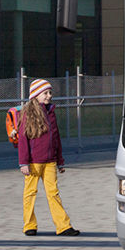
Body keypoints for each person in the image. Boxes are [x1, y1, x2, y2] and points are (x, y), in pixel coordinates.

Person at [17, 78, 81, 236]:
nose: (48, 96)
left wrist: (60, 160)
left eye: (50, 92)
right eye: (45, 93)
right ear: (36, 95)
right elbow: (23, 140)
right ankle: (29, 225)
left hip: (50, 161)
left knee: (53, 193)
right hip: (33, 163)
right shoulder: (27, 114)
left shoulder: (51, 112)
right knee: (30, 193)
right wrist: (23, 162)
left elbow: (56, 138)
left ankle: (63, 226)